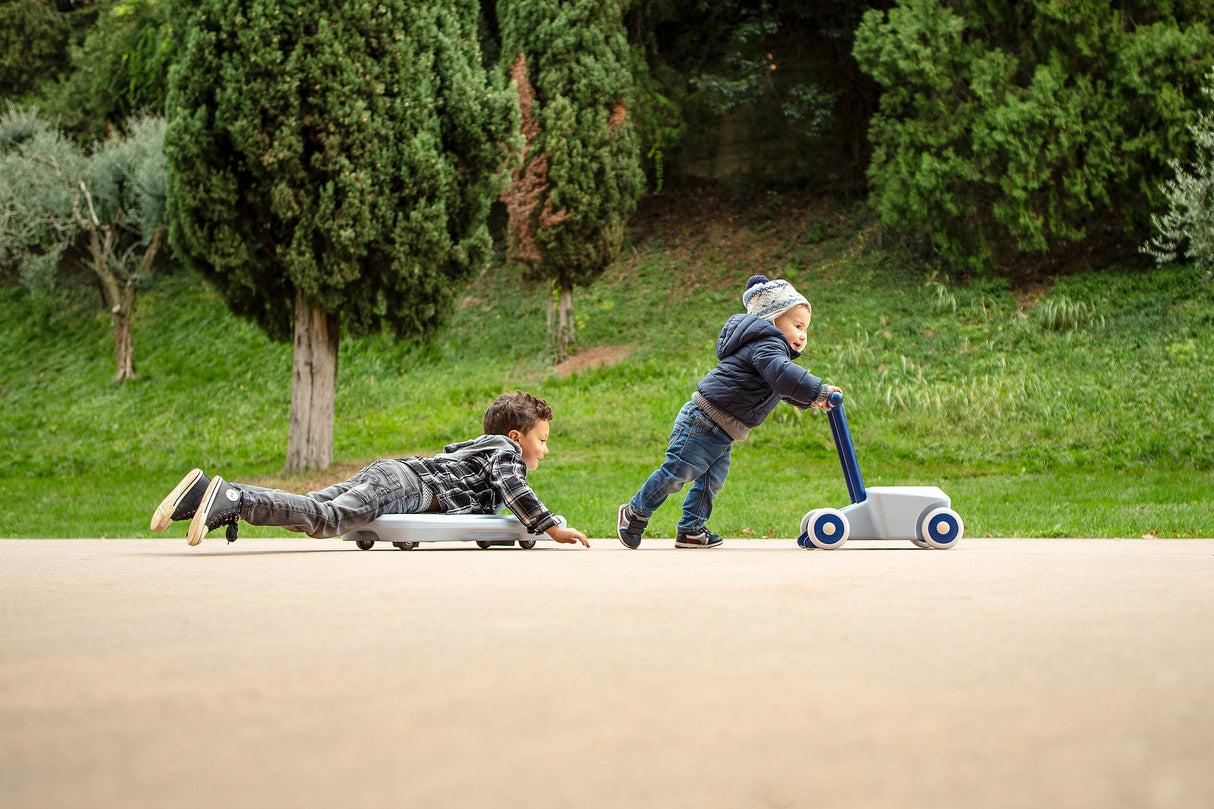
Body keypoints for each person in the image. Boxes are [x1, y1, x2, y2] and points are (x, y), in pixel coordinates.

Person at [151, 390, 590, 548]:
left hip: (391, 473)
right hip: (405, 486)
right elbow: (513, 487)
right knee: (326, 520)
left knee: (312, 504)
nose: (545, 451)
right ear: (517, 437)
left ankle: (208, 491)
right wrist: (548, 526)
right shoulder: (506, 454)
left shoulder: (480, 451)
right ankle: (236, 501)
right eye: (543, 440)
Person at [617, 275, 841, 549]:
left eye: (806, 329)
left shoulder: (769, 350)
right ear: (772, 319)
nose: (803, 334)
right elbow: (784, 377)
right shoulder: (767, 345)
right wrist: (819, 390)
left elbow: (782, 387)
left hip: (722, 431)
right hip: (703, 421)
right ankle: (634, 512)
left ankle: (691, 528)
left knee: (711, 482)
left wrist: (811, 399)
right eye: (797, 325)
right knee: (678, 472)